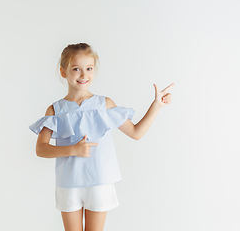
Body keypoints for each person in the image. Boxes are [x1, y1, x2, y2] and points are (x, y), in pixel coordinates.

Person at [29, 43, 174, 231]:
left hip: (99, 181)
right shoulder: (56, 110)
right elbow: (41, 148)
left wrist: (156, 106)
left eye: (89, 68)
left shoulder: (103, 104)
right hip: (68, 183)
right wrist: (73, 149)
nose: (83, 74)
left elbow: (136, 133)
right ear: (63, 72)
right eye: (76, 69)